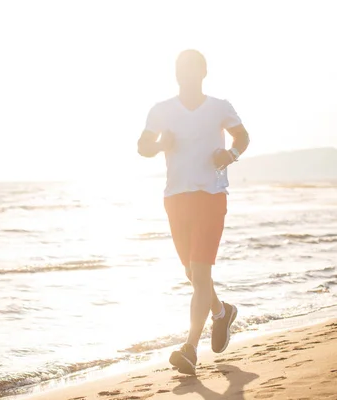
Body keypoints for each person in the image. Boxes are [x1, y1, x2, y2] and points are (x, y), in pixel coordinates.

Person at [137, 49, 250, 375]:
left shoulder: (219, 107)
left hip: (210, 196)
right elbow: (142, 146)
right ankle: (221, 311)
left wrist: (230, 155)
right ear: (176, 74)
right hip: (175, 198)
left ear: (203, 73)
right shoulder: (161, 111)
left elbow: (243, 137)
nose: (185, 75)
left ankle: (190, 348)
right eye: (180, 70)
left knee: (200, 275)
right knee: (193, 275)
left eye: (192, 70)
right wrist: (161, 145)